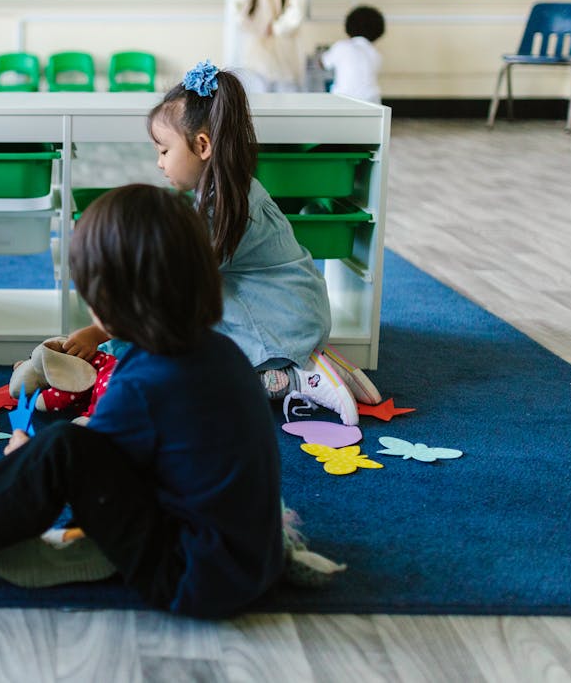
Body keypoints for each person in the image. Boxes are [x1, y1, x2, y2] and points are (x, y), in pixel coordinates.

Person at [0, 185, 297, 617]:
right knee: (73, 445)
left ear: (105, 300)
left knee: (58, 450)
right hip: (252, 558)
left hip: (193, 578)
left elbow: (83, 462)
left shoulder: (143, 384)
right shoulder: (216, 350)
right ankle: (93, 546)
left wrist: (25, 461)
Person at [61, 61, 362, 425]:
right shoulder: (226, 189)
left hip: (277, 316)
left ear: (202, 145)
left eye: (164, 151)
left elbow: (172, 290)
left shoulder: (222, 207)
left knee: (209, 377)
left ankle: (299, 377)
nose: (158, 163)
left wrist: (102, 331)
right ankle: (308, 358)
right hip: (286, 306)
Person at [321, 5, 386, 104]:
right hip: (373, 103)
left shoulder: (341, 46)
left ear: (349, 26)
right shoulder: (376, 54)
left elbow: (323, 63)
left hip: (343, 102)